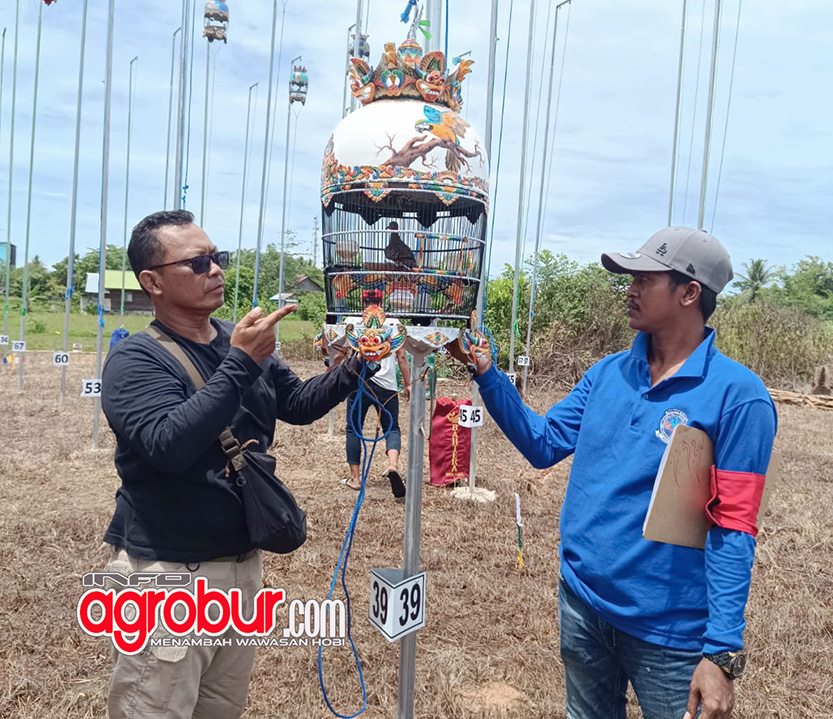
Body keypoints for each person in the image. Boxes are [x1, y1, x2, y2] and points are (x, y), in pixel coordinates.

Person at [450, 227, 777, 719]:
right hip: (582, 604)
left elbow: (735, 528)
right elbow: (543, 443)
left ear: (689, 293)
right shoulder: (607, 374)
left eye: (645, 279)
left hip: (670, 634)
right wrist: (487, 374)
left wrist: (721, 653)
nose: (630, 289)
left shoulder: (738, 398)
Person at [100, 209, 369, 719]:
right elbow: (168, 443)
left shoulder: (237, 339)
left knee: (221, 707)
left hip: (242, 565)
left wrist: (359, 364)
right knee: (154, 706)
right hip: (171, 572)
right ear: (152, 282)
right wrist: (242, 361)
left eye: (217, 257)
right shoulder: (136, 360)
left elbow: (296, 404)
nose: (216, 270)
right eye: (198, 262)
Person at [340, 288, 410, 497]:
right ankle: (392, 466)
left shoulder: (352, 322)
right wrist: (408, 384)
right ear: (383, 301)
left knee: (354, 428)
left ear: (362, 301)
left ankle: (355, 479)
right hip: (387, 386)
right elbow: (402, 357)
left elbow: (340, 351)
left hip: (359, 383)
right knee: (392, 428)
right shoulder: (394, 323)